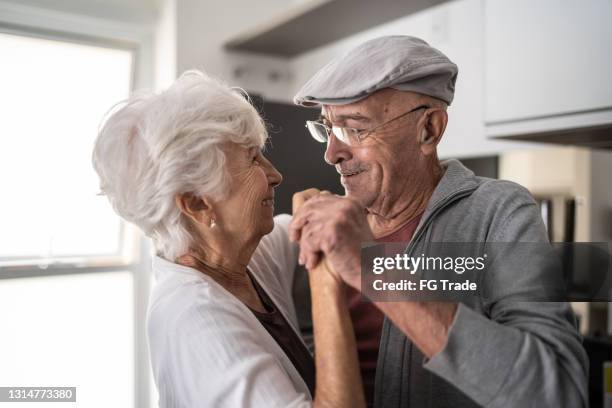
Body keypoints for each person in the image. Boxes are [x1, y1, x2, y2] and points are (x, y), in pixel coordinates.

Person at [290, 36, 588, 407]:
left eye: (355, 128)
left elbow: (559, 393)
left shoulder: (499, 213)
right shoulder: (322, 230)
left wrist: (376, 271)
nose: (331, 154)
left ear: (429, 129)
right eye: (328, 128)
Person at [92, 70, 365, 407]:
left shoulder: (243, 255)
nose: (275, 175)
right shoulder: (196, 323)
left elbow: (350, 240)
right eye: (252, 158)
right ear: (196, 202)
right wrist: (325, 277)